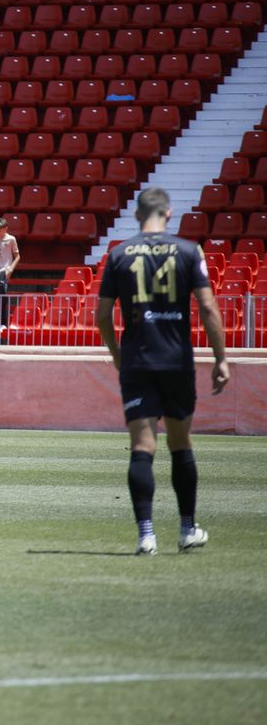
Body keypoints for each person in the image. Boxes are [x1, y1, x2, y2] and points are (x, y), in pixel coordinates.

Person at [95, 187, 229, 555]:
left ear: (138, 216)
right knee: (180, 443)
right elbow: (208, 307)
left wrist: (118, 354)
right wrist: (220, 358)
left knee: (142, 446)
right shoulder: (189, 251)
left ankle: (146, 535)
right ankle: (187, 529)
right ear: (169, 214)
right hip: (176, 360)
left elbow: (102, 316)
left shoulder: (119, 254)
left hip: (138, 359)